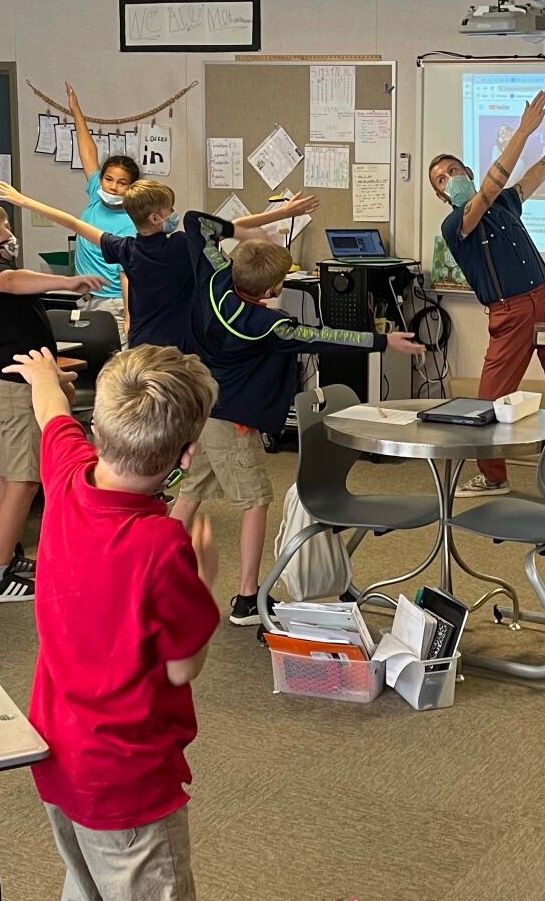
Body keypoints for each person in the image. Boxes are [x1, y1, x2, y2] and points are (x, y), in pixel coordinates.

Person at [8, 344, 224, 901]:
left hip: (57, 757)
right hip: (127, 780)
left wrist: (44, 375)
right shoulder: (162, 546)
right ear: (184, 459)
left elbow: (52, 417)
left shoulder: (68, 477)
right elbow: (183, 667)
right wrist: (206, 576)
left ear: (99, 429)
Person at [173, 211, 425, 625]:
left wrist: (239, 232)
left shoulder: (214, 278)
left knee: (190, 493)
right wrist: (382, 340)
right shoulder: (267, 325)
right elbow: (324, 337)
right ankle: (247, 599)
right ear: (273, 288)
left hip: (200, 408)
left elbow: (194, 222)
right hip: (231, 421)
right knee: (256, 502)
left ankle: (148, 570)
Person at [429, 89, 545, 521]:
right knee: (487, 401)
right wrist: (524, 130)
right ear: (441, 195)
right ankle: (493, 475)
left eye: (453, 170)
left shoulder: (505, 204)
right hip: (508, 317)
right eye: (441, 179)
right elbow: (492, 183)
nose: (450, 178)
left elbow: (526, 179)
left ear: (466, 170)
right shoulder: (457, 223)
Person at [0, 199, 100, 604]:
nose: (11, 233)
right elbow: (13, 281)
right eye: (4, 226)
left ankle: (6, 558)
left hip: (14, 383)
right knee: (25, 479)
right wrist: (67, 282)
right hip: (17, 390)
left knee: (11, 478)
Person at [0, 181, 318, 356]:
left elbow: (74, 221)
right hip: (181, 346)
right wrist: (280, 213)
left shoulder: (126, 249)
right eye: (169, 208)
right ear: (157, 217)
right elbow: (236, 225)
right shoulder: (182, 244)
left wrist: (25, 201)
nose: (174, 212)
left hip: (142, 345)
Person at [63, 83, 139, 327]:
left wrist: (129, 315)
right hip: (85, 299)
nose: (113, 187)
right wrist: (76, 112)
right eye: (108, 179)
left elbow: (127, 274)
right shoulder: (96, 195)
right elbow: (88, 154)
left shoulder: (130, 222)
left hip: (113, 303)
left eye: (121, 183)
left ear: (132, 188)